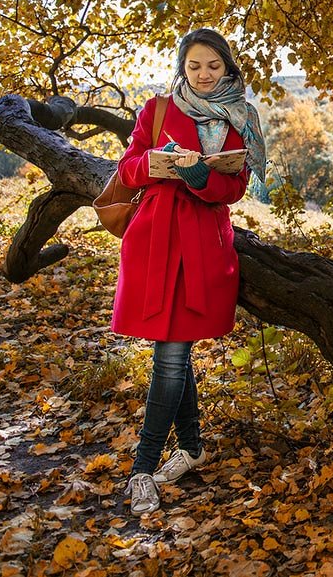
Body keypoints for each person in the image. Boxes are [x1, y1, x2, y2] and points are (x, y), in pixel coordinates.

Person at [110, 28, 266, 515]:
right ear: (183, 67)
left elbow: (235, 187)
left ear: (228, 68)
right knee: (172, 353)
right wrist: (160, 164)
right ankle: (190, 448)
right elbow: (128, 166)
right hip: (155, 243)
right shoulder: (156, 109)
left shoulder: (238, 117)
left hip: (201, 246)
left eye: (214, 66)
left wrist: (202, 177)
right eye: (195, 65)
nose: (203, 74)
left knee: (171, 355)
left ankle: (143, 467)